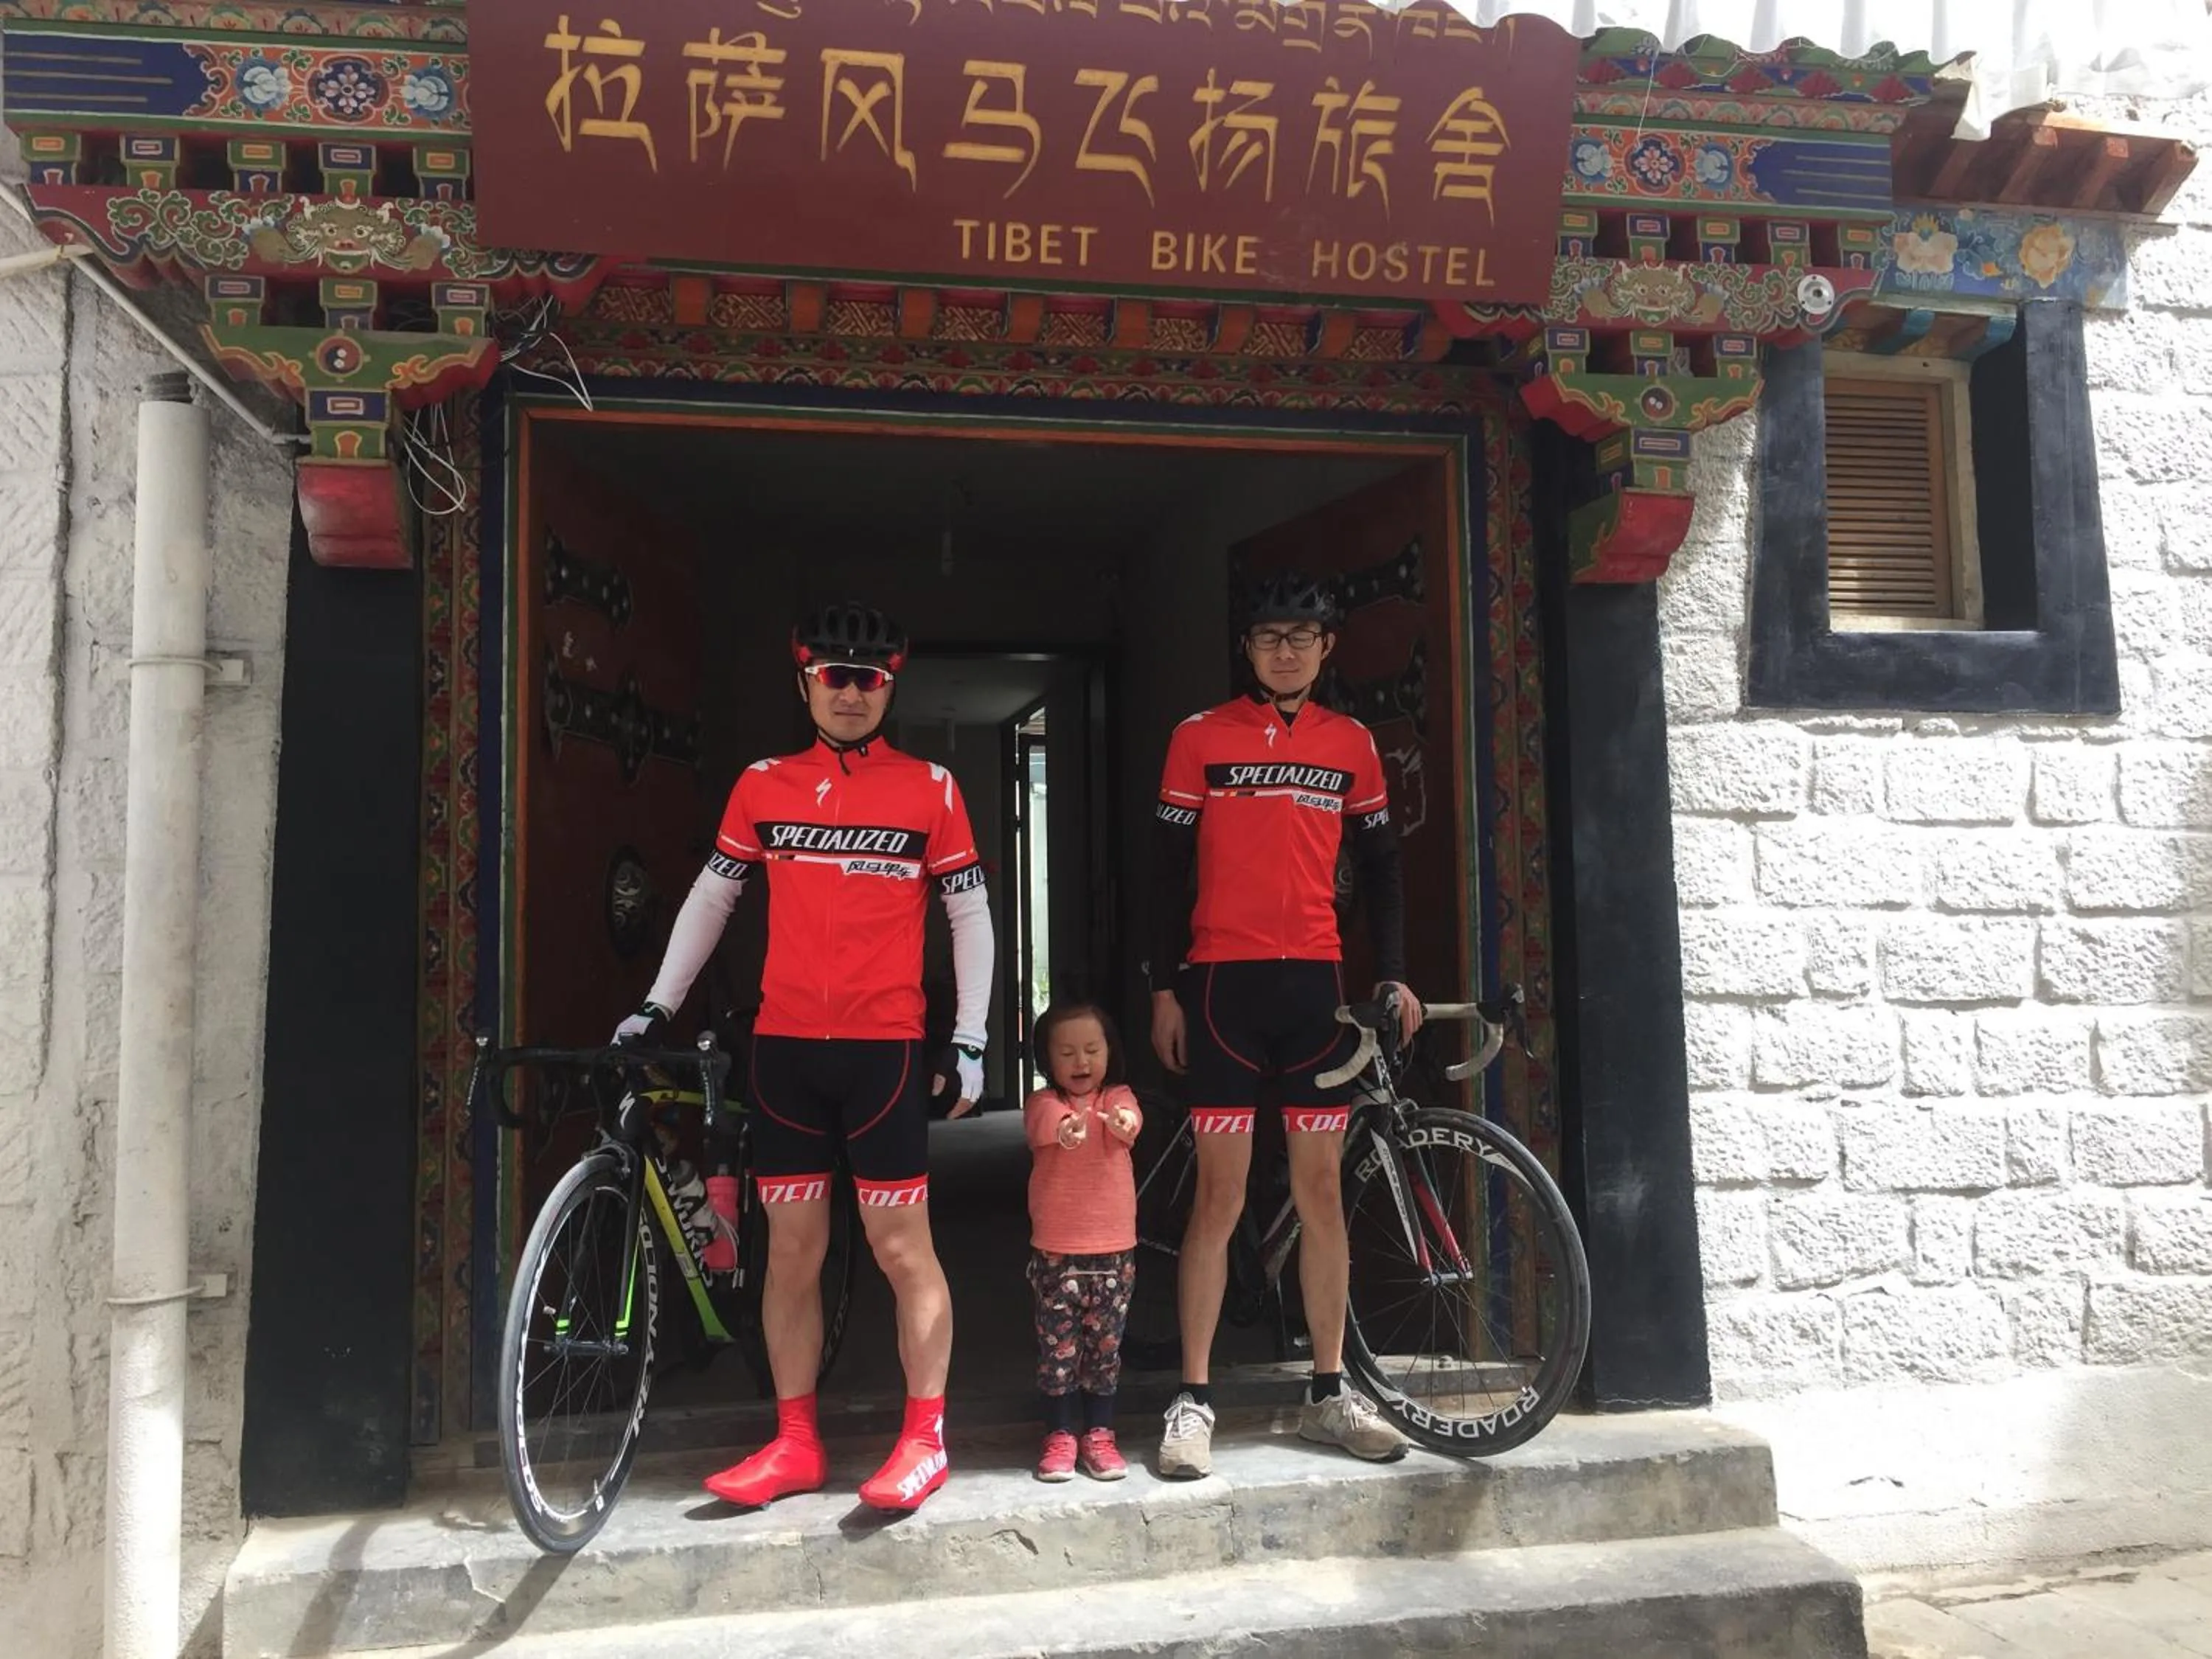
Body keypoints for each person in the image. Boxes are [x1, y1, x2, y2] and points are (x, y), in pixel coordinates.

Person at [614, 601, 992, 1514]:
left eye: (869, 678)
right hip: (784, 1051)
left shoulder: (931, 787)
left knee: (903, 1248)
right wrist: (656, 1005)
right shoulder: (763, 784)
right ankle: (794, 1442)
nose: (852, 692)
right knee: (790, 1255)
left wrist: (972, 1037)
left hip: (885, 1055)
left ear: (891, 687)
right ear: (804, 683)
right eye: (835, 675)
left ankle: (924, 1439)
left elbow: (968, 914)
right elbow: (713, 899)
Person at [1149, 569, 1423, 1479]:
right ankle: (1193, 1399)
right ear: (1248, 648)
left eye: (1302, 637)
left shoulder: (1353, 744)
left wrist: (1393, 974)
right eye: (1270, 637)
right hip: (1222, 986)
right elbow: (1168, 862)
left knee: (1320, 1197)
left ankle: (1327, 1391)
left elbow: (1384, 866)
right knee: (1218, 1201)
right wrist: (1161, 988)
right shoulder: (1199, 738)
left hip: (1315, 988)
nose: (1287, 650)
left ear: (1328, 647)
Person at [1020, 1001, 1142, 1483]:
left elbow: (1132, 1120)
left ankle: (1100, 1433)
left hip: (1114, 1252)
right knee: (1058, 1350)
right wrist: (1066, 1130)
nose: (1080, 1061)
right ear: (1047, 1060)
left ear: (1109, 1051)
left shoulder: (1119, 1098)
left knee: (1105, 1349)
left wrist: (1125, 1124)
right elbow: (1044, 1126)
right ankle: (1060, 1433)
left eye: (1092, 1049)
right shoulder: (1043, 1104)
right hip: (1056, 1252)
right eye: (1067, 1052)